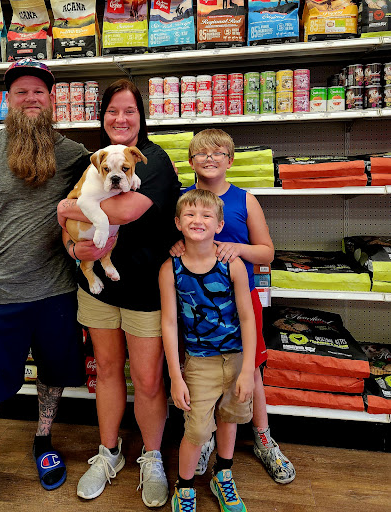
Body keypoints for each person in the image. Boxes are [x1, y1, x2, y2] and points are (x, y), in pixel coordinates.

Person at [0, 58, 96, 512]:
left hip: (57, 291)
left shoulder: (74, 154)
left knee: (53, 374)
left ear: (52, 99)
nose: (31, 98)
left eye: (39, 91)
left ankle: (43, 439)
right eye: (21, 91)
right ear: (8, 100)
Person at [57, 78, 181, 508]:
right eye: (112, 111)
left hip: (146, 285)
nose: (121, 119)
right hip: (97, 287)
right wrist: (73, 246)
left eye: (130, 110)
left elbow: (124, 210)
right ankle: (108, 452)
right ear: (102, 116)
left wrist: (70, 207)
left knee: (147, 379)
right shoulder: (91, 161)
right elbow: (63, 221)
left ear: (142, 116)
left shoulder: (154, 160)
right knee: (107, 370)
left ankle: (152, 457)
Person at [171, 128, 296, 484]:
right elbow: (173, 242)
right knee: (201, 369)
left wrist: (237, 248)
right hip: (197, 303)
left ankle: (263, 437)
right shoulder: (184, 201)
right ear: (190, 161)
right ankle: (205, 437)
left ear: (230, 160)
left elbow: (267, 252)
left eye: (218, 152)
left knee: (249, 368)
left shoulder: (245, 199)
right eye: (202, 152)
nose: (210, 158)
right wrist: (175, 247)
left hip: (240, 300)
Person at [160, 188, 256, 512]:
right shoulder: (170, 269)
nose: (197, 220)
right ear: (178, 223)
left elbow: (247, 318)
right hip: (199, 362)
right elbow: (169, 324)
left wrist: (247, 370)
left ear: (219, 224)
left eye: (206, 215)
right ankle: (184, 487)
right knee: (197, 429)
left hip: (236, 358)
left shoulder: (232, 265)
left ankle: (222, 474)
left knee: (230, 418)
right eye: (189, 214)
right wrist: (176, 376)